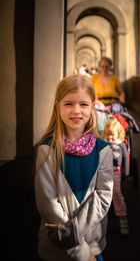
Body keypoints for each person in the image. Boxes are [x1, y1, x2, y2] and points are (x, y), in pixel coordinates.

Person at [34, 75, 114, 261]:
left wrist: (76, 238)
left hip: (93, 245)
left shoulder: (104, 151)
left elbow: (103, 198)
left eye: (84, 104)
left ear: (92, 107)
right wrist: (82, 254)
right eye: (68, 104)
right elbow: (49, 206)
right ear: (57, 106)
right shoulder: (47, 150)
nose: (76, 111)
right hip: (56, 251)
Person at [102, 118, 130, 236]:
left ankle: (122, 217)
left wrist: (127, 172)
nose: (110, 138)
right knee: (103, 193)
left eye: (112, 135)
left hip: (115, 171)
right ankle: (102, 218)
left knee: (117, 193)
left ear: (118, 133)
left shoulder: (121, 145)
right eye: (107, 134)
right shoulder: (103, 143)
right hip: (103, 171)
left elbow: (125, 159)